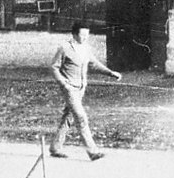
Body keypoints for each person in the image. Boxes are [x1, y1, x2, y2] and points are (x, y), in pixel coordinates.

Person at [48, 21, 121, 161]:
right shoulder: (65, 48)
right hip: (69, 89)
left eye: (87, 34)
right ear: (74, 34)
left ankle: (55, 147)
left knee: (68, 117)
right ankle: (92, 151)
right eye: (82, 35)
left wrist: (110, 73)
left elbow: (94, 64)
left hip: (81, 88)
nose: (85, 37)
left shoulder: (85, 48)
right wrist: (64, 83)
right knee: (81, 118)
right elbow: (54, 67)